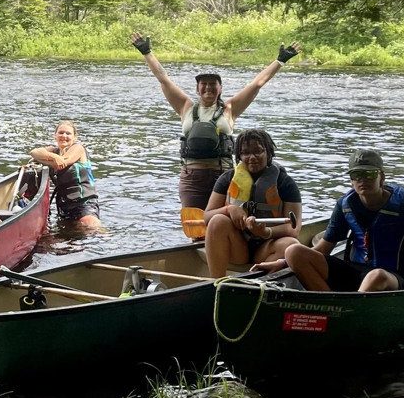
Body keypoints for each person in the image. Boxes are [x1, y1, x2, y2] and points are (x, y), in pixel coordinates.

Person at [273, 149, 404, 350]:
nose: (363, 180)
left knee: (376, 275)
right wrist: (283, 263)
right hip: (359, 272)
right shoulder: (345, 205)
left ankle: (343, 324)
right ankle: (334, 311)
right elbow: (322, 250)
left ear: (381, 177)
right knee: (293, 251)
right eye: (357, 175)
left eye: (369, 174)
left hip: (397, 277)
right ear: (351, 180)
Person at [130, 32, 302, 209]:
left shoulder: (230, 108)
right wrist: (147, 52)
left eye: (213, 84)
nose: (208, 87)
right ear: (197, 89)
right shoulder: (185, 106)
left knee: (223, 222)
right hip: (192, 178)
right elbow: (163, 78)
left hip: (223, 176)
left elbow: (256, 84)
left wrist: (280, 60)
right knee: (194, 227)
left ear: (220, 88)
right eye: (203, 84)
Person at [201, 128, 301, 278]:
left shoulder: (285, 183)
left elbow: (294, 227)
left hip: (267, 248)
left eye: (258, 151)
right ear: (239, 156)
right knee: (217, 220)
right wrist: (229, 210)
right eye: (246, 153)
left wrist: (266, 232)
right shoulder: (227, 179)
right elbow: (207, 216)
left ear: (268, 152)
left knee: (291, 244)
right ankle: (217, 283)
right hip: (238, 246)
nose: (252, 157)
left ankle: (258, 280)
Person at [28, 121, 101, 229]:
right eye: (61, 133)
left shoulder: (78, 148)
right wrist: (53, 156)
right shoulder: (54, 151)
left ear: (74, 137)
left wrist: (47, 159)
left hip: (84, 204)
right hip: (64, 207)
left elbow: (62, 164)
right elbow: (34, 153)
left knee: (89, 227)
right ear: (55, 135)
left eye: (68, 133)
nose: (64, 136)